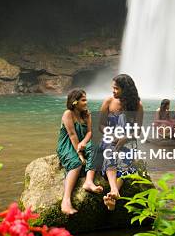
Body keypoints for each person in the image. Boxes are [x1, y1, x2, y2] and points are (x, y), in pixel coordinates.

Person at [99, 74, 143, 211]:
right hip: (109, 138)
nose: (113, 91)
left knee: (125, 160)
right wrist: (111, 135)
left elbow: (138, 131)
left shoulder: (137, 106)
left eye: (116, 88)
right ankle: (114, 190)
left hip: (128, 141)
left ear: (126, 89)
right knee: (110, 152)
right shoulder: (108, 101)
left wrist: (125, 138)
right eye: (113, 88)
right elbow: (101, 125)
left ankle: (113, 196)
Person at [57, 88, 103, 215]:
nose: (86, 102)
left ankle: (88, 182)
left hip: (83, 142)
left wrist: (83, 143)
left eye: (86, 99)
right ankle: (65, 201)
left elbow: (90, 132)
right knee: (76, 164)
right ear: (74, 102)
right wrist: (79, 154)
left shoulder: (86, 114)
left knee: (96, 148)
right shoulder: (68, 114)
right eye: (83, 100)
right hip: (68, 144)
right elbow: (72, 134)